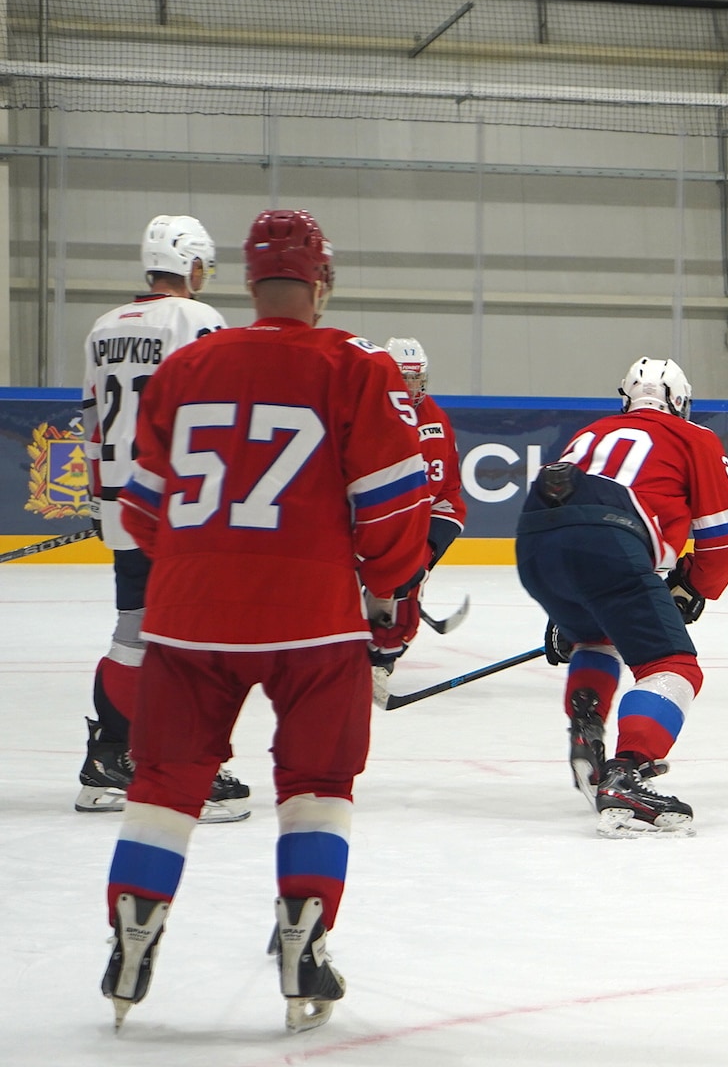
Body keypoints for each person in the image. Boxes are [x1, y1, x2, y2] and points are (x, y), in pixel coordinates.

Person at [99, 209, 431, 1033]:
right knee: (318, 784)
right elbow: (394, 508)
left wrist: (198, 566)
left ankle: (132, 936)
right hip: (313, 621)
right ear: (323, 283)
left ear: (248, 281)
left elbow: (141, 512)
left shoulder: (188, 365)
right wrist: (387, 589)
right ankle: (303, 944)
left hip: (186, 618)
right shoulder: (356, 365)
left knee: (163, 781)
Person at [515, 357, 728, 838]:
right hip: (609, 540)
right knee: (672, 666)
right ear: (680, 402)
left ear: (626, 399)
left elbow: (568, 507)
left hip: (535, 541)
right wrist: (693, 586)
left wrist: (571, 606)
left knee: (594, 637)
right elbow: (726, 534)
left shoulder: (591, 432)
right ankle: (628, 773)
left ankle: (586, 727)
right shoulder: (694, 437)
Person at [76, 215, 252, 822]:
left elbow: (91, 418)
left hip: (122, 500)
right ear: (190, 264)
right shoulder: (196, 320)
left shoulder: (104, 327)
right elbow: (218, 415)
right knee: (195, 636)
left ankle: (110, 758)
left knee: (135, 628)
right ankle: (183, 766)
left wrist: (101, 498)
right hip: (179, 504)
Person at [366, 337, 468, 701]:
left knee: (402, 590)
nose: (411, 387)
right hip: (371, 523)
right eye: (403, 378)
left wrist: (419, 554)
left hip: (422, 523)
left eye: (416, 378)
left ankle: (380, 662)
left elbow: (445, 494)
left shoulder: (435, 420)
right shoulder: (363, 411)